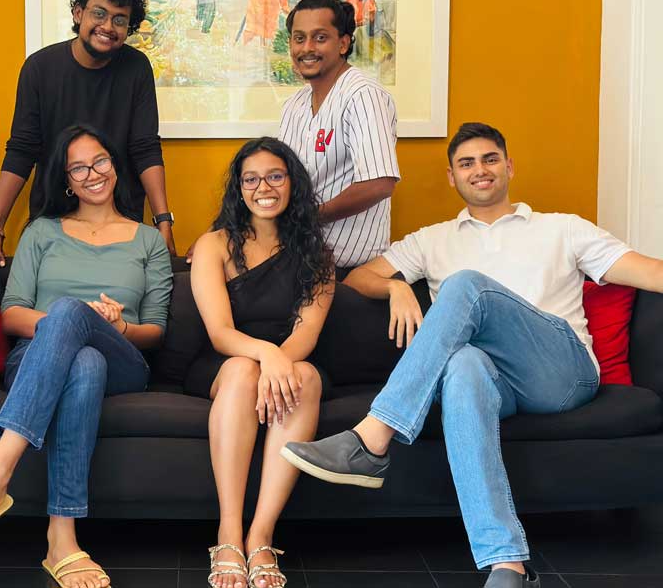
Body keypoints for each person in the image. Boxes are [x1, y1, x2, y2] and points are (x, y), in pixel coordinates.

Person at [282, 122, 663, 587]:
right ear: (452, 177)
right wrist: (396, 287)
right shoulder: (433, 239)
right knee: (462, 367)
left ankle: (374, 435)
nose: (479, 170)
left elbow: (649, 272)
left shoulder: (563, 228)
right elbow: (359, 278)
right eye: (467, 163)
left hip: (560, 372)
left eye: (489, 159)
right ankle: (506, 564)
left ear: (509, 166)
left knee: (466, 285)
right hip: (496, 383)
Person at [0, 125, 173, 588]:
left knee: (77, 323)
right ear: (66, 181)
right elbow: (11, 314)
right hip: (39, 357)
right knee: (83, 359)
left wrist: (116, 326)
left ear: (115, 166)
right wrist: (68, 321)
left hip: (123, 359)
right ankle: (62, 542)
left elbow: (155, 331)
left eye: (100, 161)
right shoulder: (41, 232)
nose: (92, 173)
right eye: (79, 168)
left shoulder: (148, 241)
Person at [188, 138, 334, 588]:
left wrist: (279, 360)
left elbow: (307, 334)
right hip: (225, 362)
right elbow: (220, 332)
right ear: (239, 188)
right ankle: (229, 533)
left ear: (292, 183)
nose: (263, 188)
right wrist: (266, 354)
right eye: (250, 179)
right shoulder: (214, 245)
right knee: (242, 370)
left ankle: (261, 536)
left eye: (274, 176)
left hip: (291, 359)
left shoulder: (318, 255)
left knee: (304, 377)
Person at [0, 0, 177, 264]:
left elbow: (145, 148)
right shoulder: (40, 68)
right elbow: (22, 149)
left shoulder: (136, 68)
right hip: (53, 219)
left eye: (119, 20)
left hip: (120, 219)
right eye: (99, 13)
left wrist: (163, 221)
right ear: (78, 14)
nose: (108, 26)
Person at [277, 0, 399, 272]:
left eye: (320, 38)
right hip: (295, 260)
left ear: (343, 44)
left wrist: (309, 217)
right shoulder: (293, 105)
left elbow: (379, 183)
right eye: (299, 38)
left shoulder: (363, 95)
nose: (307, 48)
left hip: (348, 271)